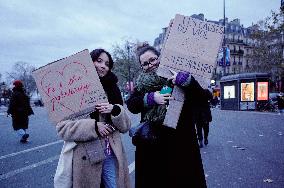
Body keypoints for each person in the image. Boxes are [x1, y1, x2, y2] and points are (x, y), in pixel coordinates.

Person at [126, 43, 207, 188]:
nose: (150, 65)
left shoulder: (178, 75)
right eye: (145, 64)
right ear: (142, 67)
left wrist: (187, 81)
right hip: (152, 146)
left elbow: (202, 97)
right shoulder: (141, 84)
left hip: (181, 143)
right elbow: (131, 105)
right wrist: (150, 98)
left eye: (153, 60)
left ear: (160, 58)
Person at [55, 49, 131, 188]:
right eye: (99, 61)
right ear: (89, 62)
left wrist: (114, 109)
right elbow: (62, 128)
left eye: (107, 64)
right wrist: (94, 127)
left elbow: (125, 126)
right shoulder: (73, 89)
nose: (103, 66)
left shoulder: (113, 88)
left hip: (110, 152)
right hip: (86, 156)